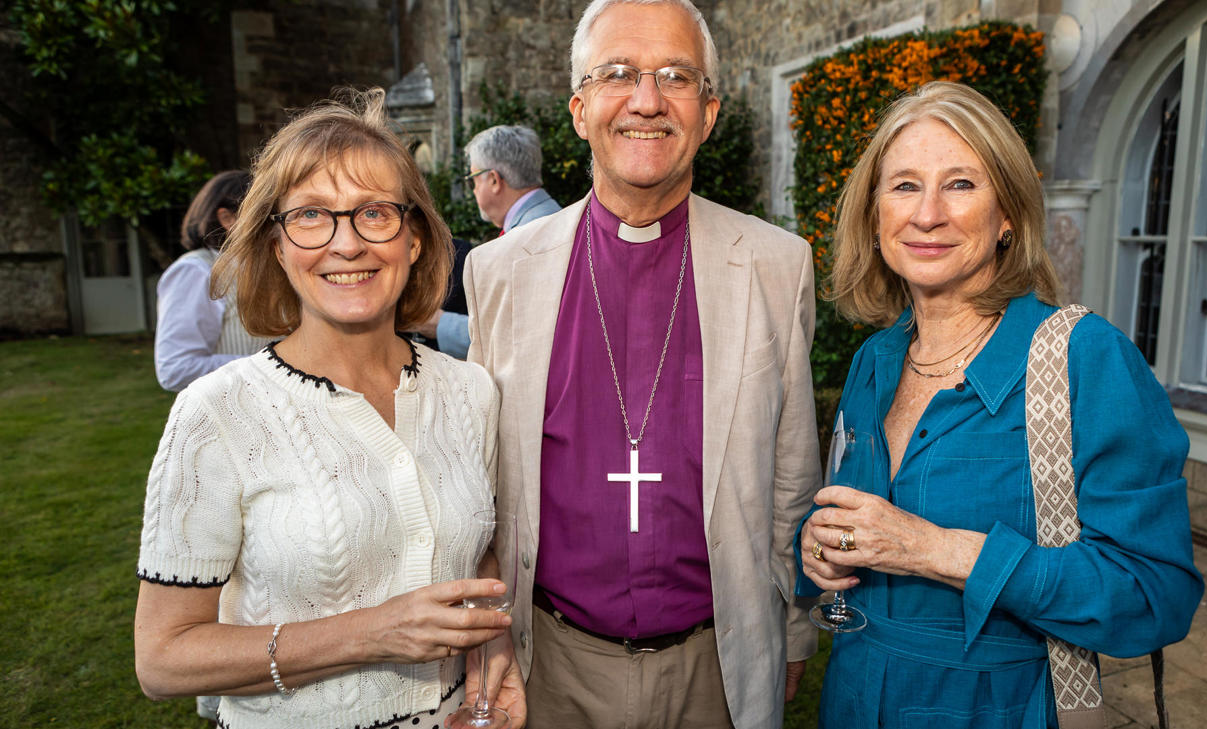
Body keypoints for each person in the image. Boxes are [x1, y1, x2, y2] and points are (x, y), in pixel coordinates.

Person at [796, 81, 1203, 729]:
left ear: (1007, 214)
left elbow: (1156, 595)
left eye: (960, 184)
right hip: (853, 695)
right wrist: (817, 547)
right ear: (874, 216)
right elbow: (853, 521)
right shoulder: (875, 358)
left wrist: (937, 549)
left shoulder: (1085, 358)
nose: (927, 213)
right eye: (903, 186)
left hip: (995, 708)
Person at [464, 1, 820, 727]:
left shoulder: (777, 265)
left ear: (708, 113)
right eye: (618, 73)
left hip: (715, 663)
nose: (647, 100)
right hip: (549, 665)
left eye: (676, 77)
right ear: (580, 109)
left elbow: (793, 470)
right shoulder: (499, 272)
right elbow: (478, 483)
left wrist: (796, 627)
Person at [133, 88, 525, 729]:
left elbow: (475, 555)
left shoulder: (470, 392)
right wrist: (369, 633)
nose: (347, 244)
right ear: (277, 245)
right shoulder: (218, 412)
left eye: (375, 213)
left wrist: (491, 652)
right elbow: (163, 659)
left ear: (415, 239)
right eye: (312, 215)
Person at [427, 125, 562, 359]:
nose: (473, 191)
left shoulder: (526, 240)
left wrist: (436, 323)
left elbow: (514, 338)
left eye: (473, 180)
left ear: (493, 180)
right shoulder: (551, 218)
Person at [154, 170, 269, 392]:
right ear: (227, 219)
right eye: (263, 213)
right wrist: (268, 366)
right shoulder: (197, 271)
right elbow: (175, 369)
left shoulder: (266, 267)